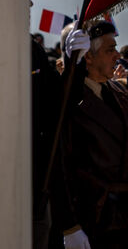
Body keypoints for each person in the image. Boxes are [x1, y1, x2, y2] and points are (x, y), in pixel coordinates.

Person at [55, 19, 128, 248]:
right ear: (87, 56)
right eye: (110, 50)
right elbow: (60, 165)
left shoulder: (120, 89)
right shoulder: (64, 101)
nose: (117, 55)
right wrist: (70, 226)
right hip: (96, 220)